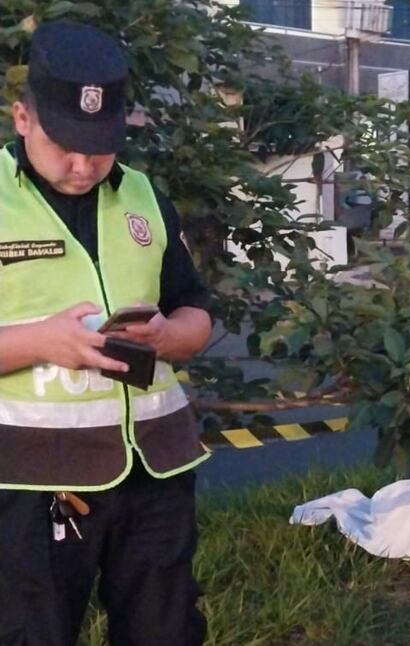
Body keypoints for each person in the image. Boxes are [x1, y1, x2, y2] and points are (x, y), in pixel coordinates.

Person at [0, 21, 212, 645]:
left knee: (165, 629)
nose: (83, 163)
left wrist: (170, 337)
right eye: (66, 142)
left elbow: (193, 309)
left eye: (101, 145)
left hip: (156, 469)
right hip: (29, 481)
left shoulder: (143, 196)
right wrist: (41, 342)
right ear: (22, 118)